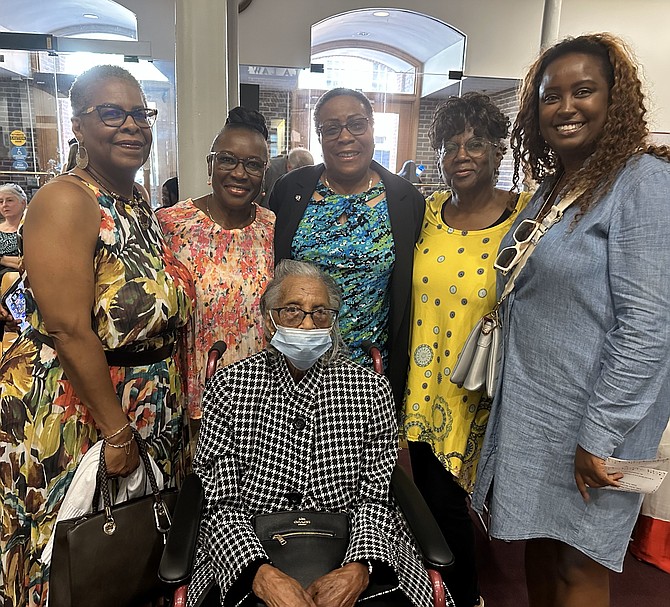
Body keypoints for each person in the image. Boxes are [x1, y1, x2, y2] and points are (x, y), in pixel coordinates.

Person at [471, 33, 670, 607]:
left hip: (594, 413)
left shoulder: (642, 184)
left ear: (615, 100)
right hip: (536, 409)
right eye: (548, 96)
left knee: (579, 562)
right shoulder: (551, 189)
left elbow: (649, 327)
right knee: (541, 544)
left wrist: (601, 436)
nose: (564, 107)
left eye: (583, 91)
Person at [0, 64, 193, 606]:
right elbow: (67, 328)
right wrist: (115, 431)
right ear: (78, 126)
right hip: (85, 410)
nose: (131, 126)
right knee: (77, 556)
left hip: (144, 404)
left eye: (140, 114)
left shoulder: (136, 203)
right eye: (111, 113)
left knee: (127, 556)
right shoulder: (67, 200)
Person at [187, 259, 442, 607]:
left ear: (332, 322)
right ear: (269, 317)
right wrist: (260, 574)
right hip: (249, 543)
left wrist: (360, 567)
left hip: (353, 539)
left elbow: (375, 496)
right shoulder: (229, 386)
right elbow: (221, 503)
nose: (307, 324)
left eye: (320, 313)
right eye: (292, 311)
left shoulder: (369, 389)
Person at [402, 92, 531, 607]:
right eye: (450, 145)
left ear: (499, 152)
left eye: (476, 143)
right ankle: (442, 588)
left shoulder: (525, 218)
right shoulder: (427, 212)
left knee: (461, 504)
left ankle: (464, 595)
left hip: (485, 386)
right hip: (425, 381)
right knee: (433, 499)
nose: (462, 154)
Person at [270, 88, 425, 408]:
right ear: (320, 136)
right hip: (295, 363)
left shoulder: (404, 199)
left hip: (369, 370)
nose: (345, 137)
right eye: (331, 128)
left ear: (372, 128)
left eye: (356, 124)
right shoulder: (291, 189)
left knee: (357, 457)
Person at [157, 107, 275, 420]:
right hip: (188, 390)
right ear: (210, 165)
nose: (239, 173)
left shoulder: (273, 227)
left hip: (259, 396)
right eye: (227, 159)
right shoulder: (170, 225)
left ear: (264, 174)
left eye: (253, 164)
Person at [0, 183, 27, 273]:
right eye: (0, 202)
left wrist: (3, 259)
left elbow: (35, 263)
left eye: (9, 200)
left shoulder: (32, 230)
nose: (4, 205)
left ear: (23, 203)